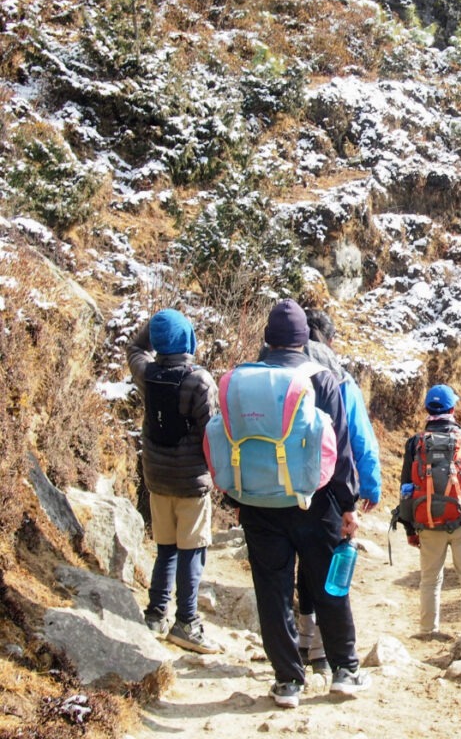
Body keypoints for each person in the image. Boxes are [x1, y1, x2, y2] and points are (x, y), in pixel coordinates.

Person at [238, 299, 370, 708]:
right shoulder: (324, 380)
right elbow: (341, 450)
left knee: (272, 590)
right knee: (329, 584)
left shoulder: (242, 379)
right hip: (315, 502)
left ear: (268, 338)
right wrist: (348, 505)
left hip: (259, 502)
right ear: (303, 339)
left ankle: (287, 682)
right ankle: (344, 670)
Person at [291, 308, 382, 675]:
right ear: (329, 340)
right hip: (327, 487)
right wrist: (369, 486)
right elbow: (358, 438)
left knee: (298, 562)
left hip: (281, 483)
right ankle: (325, 653)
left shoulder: (280, 371)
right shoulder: (340, 379)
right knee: (326, 564)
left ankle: (301, 638)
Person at [125, 308, 221, 654]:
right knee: (192, 550)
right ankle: (187, 622)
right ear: (188, 339)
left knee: (165, 548)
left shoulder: (147, 373)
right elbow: (212, 433)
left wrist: (153, 325)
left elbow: (134, 348)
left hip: (156, 476)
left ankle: (155, 614)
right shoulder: (200, 380)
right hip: (191, 481)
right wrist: (221, 477)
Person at [398, 384, 461, 639]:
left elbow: (406, 486)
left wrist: (409, 527)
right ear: (452, 408)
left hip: (428, 522)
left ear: (427, 409)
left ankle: (428, 630)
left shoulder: (415, 443)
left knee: (429, 579)